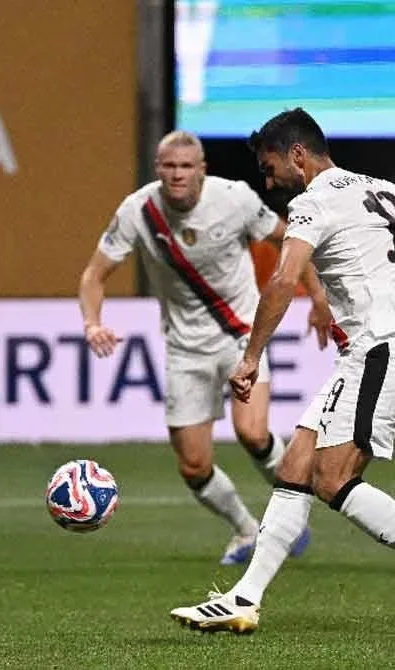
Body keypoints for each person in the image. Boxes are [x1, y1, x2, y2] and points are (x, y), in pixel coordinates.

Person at [170, 108, 395, 633]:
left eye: (269, 169)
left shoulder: (313, 201)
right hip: (367, 350)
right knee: (296, 464)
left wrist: (250, 357)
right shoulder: (383, 187)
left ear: (298, 155)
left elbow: (282, 280)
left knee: (333, 479)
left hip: (380, 347)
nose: (268, 183)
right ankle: (243, 597)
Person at [79, 130, 331, 565]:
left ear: (202, 170)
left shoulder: (234, 199)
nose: (177, 174)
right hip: (185, 348)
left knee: (252, 433)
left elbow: (289, 239)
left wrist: (318, 297)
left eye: (185, 166)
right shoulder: (138, 211)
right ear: (158, 170)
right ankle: (246, 530)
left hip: (241, 335)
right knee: (193, 466)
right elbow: (93, 275)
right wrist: (92, 323)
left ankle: (290, 515)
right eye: (169, 166)